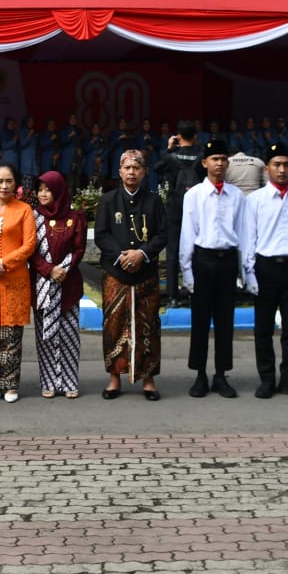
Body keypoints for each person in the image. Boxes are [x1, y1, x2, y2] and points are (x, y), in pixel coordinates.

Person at [240, 142, 288, 400]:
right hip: (266, 268)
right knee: (263, 329)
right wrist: (249, 274)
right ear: (267, 168)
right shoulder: (255, 201)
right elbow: (248, 239)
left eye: (286, 164)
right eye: (277, 165)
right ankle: (266, 379)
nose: (282, 169)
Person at [96, 150, 166, 401]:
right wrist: (122, 257)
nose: (131, 172)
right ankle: (114, 378)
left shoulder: (154, 201)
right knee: (114, 326)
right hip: (117, 273)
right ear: (119, 172)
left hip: (145, 273)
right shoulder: (108, 200)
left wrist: (142, 254)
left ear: (144, 172)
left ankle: (149, 378)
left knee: (148, 326)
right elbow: (102, 234)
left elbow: (161, 234)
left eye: (136, 168)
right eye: (127, 168)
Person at [179, 139, 243, 399]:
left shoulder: (237, 195)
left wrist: (243, 270)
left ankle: (221, 374)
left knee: (225, 321)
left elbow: (244, 233)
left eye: (223, 158)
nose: (219, 163)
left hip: (226, 260)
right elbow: (187, 233)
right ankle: (200, 375)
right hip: (203, 261)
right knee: (201, 321)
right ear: (204, 162)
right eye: (214, 158)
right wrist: (187, 270)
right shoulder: (194, 195)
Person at [0, 164, 37, 402]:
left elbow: (29, 244)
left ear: (16, 184)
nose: (4, 186)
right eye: (0, 181)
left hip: (15, 278)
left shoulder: (24, 210)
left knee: (12, 334)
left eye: (9, 181)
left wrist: (3, 262)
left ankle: (11, 385)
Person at [31, 170, 86, 399]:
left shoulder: (74, 217)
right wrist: (48, 270)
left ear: (59, 191)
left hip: (68, 285)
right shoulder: (33, 217)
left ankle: (70, 381)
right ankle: (49, 382)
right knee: (46, 336)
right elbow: (30, 251)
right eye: (40, 190)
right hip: (42, 287)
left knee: (69, 335)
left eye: (48, 189)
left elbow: (79, 248)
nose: (43, 194)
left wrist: (63, 268)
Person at [156, 120, 204, 308]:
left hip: (175, 205)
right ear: (195, 136)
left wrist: (169, 149)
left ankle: (172, 296)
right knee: (198, 250)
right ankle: (195, 292)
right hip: (197, 207)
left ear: (178, 136)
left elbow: (157, 168)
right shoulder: (202, 156)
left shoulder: (171, 157)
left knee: (173, 252)